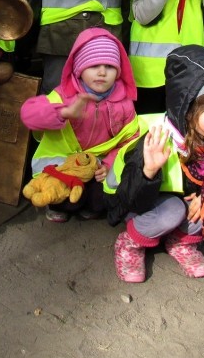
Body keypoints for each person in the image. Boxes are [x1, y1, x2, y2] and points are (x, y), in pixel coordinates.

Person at [105, 45, 204, 283]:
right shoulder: (156, 138)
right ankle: (130, 244)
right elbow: (128, 199)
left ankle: (181, 242)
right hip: (139, 202)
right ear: (188, 111)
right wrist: (148, 171)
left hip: (183, 199)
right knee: (172, 210)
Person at [21, 28, 140, 222]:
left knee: (99, 200)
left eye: (109, 67)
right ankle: (59, 205)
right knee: (65, 198)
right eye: (94, 66)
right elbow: (28, 115)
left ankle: (90, 204)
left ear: (118, 72)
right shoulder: (62, 95)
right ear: (79, 68)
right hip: (62, 165)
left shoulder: (124, 103)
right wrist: (63, 112)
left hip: (96, 164)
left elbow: (130, 139)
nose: (102, 72)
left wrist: (109, 164)